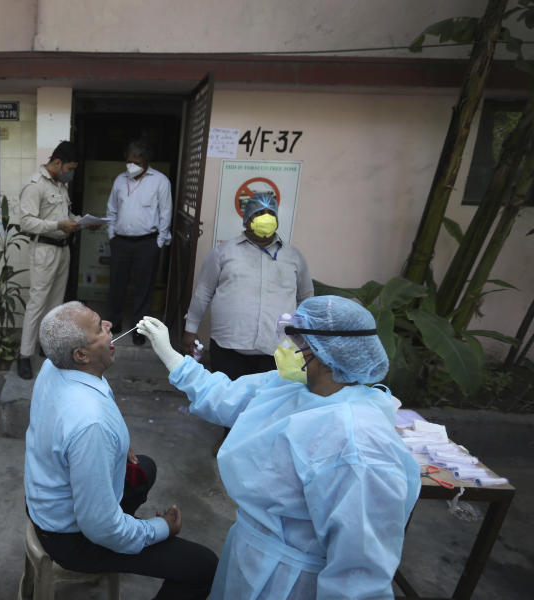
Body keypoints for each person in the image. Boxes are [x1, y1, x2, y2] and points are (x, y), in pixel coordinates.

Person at [136, 296, 421, 599]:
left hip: (292, 582)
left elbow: (359, 571)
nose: (285, 345)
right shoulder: (290, 386)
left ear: (324, 351)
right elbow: (224, 396)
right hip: (250, 555)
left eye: (295, 337)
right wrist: (170, 355)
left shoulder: (358, 445)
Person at [24, 301, 218, 599]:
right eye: (98, 328)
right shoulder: (91, 424)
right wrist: (159, 528)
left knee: (145, 468)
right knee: (204, 567)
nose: (109, 327)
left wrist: (119, 442)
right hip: (71, 538)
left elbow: (95, 409)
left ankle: (124, 535)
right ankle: (119, 544)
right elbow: (99, 527)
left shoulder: (55, 365)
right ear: (81, 355)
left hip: (45, 500)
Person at [182, 192, 312, 379]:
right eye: (259, 213)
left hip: (276, 351)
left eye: (270, 213)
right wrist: (190, 330)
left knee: (266, 405)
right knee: (227, 401)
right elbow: (203, 293)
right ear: (247, 218)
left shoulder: (294, 257)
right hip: (229, 347)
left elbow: (306, 298)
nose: (266, 217)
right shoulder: (223, 252)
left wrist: (304, 338)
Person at [15, 141, 84, 380]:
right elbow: (26, 223)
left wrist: (80, 221)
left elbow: (64, 215)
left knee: (55, 305)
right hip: (44, 250)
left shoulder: (60, 185)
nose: (71, 173)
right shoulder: (36, 185)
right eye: (70, 168)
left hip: (63, 250)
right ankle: (24, 355)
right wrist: (58, 225)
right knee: (37, 303)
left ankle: (47, 346)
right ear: (57, 162)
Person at [106, 139, 172, 345]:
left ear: (145, 162)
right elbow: (112, 209)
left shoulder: (160, 181)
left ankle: (138, 328)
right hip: (121, 242)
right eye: (128, 161)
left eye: (134, 161)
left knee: (144, 288)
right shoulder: (119, 180)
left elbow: (166, 213)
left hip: (147, 243)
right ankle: (114, 322)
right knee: (116, 284)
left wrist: (159, 242)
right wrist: (112, 235)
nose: (130, 166)